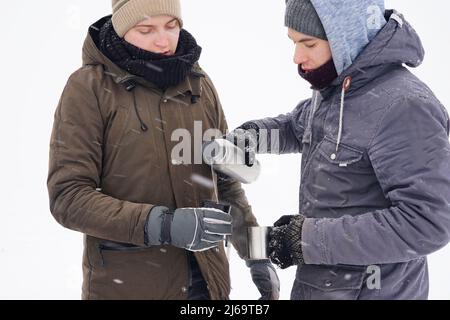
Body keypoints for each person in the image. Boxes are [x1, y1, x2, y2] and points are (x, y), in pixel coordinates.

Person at [47, 0, 279, 300]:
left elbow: (224, 181)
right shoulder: (89, 88)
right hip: (129, 286)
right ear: (121, 29)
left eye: (172, 26)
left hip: (207, 285)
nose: (163, 40)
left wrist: (255, 252)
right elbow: (69, 197)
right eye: (146, 29)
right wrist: (163, 225)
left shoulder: (198, 83)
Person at [229, 0, 450, 299]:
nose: (297, 56)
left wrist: (304, 240)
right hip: (324, 287)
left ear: (347, 36)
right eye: (293, 42)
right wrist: (253, 136)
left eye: (308, 43)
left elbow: (427, 222)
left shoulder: (405, 107)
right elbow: (299, 127)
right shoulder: (341, 85)